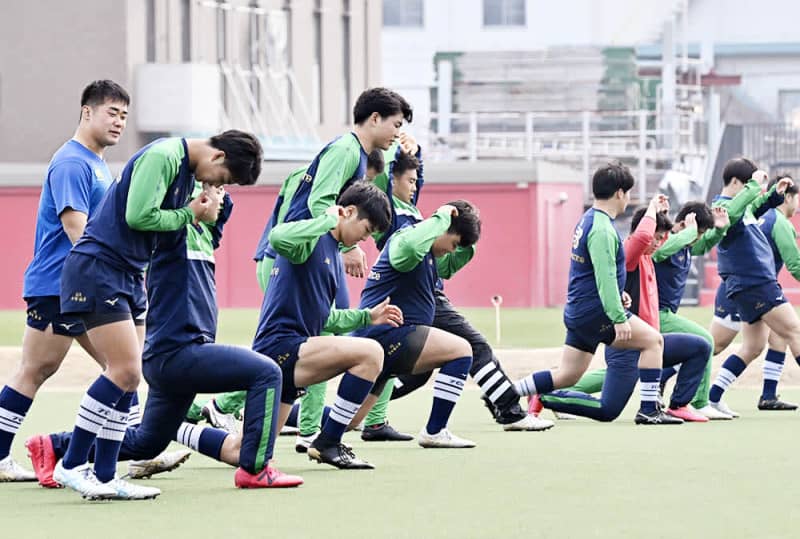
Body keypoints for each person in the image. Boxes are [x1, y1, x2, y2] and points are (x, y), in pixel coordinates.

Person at [27, 187, 302, 491]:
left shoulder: (204, 235)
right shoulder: (173, 233)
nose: (222, 196)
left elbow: (221, 215)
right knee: (266, 372)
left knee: (147, 443)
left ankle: (53, 446)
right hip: (179, 354)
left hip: (171, 358)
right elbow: (164, 208)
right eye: (216, 189)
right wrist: (194, 189)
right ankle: (255, 469)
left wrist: (218, 197)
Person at [190, 88, 413, 439]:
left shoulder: (353, 154)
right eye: (395, 125)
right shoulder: (344, 151)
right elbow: (319, 204)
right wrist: (341, 243)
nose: (396, 134)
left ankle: (225, 411)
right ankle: (311, 431)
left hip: (308, 248)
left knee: (319, 333)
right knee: (314, 338)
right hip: (299, 251)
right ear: (374, 119)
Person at [53, 129, 263, 500]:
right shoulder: (165, 155)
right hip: (99, 268)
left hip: (126, 273)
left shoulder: (185, 171)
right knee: (125, 372)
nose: (217, 186)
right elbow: (138, 216)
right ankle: (71, 464)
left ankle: (104, 476)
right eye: (224, 179)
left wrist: (203, 213)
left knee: (129, 377)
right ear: (217, 158)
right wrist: (189, 212)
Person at [0, 80, 139, 482]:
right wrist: (115, 272)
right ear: (87, 112)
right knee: (37, 369)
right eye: (112, 113)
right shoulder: (72, 163)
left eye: (124, 116)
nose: (119, 122)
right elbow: (76, 226)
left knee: (123, 368)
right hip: (58, 285)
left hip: (84, 285)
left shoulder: (95, 162)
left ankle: (135, 449)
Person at [363, 146, 551, 433]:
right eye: (410, 181)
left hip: (423, 292)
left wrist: (465, 243)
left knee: (415, 373)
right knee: (474, 347)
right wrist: (396, 149)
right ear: (393, 178)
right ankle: (509, 410)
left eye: (417, 181)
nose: (415, 187)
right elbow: (383, 177)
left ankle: (365, 418)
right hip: (418, 295)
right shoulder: (388, 210)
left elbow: (443, 267)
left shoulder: (412, 212)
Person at [253, 182, 401, 469]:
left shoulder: (334, 252)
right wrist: (327, 220)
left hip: (290, 359)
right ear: (348, 212)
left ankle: (173, 431)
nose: (365, 239)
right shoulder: (313, 238)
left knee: (242, 453)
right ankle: (328, 442)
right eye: (367, 230)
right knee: (371, 353)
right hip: (280, 349)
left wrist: (367, 317)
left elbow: (326, 319)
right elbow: (277, 236)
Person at [512, 163, 673, 423]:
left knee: (567, 376)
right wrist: (618, 316)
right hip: (596, 313)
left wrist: (617, 296)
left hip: (580, 310)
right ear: (620, 193)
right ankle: (649, 410)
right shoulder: (602, 229)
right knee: (654, 341)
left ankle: (506, 393)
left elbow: (591, 273)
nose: (629, 199)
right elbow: (606, 277)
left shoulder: (587, 220)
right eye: (629, 193)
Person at [528, 201, 710, 423]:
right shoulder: (630, 254)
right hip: (627, 344)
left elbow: (673, 242)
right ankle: (546, 395)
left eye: (663, 237)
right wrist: (652, 210)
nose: (660, 243)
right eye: (657, 237)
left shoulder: (649, 255)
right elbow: (642, 237)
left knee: (700, 346)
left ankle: (675, 406)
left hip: (651, 342)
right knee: (607, 410)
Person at [350, 200, 483, 447]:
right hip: (386, 336)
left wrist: (468, 245)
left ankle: (289, 416)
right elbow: (411, 247)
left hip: (386, 341)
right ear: (441, 227)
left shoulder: (429, 253)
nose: (453, 250)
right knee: (461, 350)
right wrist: (441, 217)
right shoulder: (407, 240)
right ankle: (435, 431)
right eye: (454, 243)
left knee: (350, 420)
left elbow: (450, 267)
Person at [703, 159, 800, 417]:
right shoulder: (723, 207)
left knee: (753, 346)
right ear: (736, 183)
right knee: (795, 330)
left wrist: (772, 194)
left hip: (752, 282)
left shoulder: (739, 206)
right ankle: (669, 378)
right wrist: (755, 186)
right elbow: (735, 212)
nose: (752, 190)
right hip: (755, 281)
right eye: (748, 184)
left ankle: (713, 397)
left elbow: (752, 208)